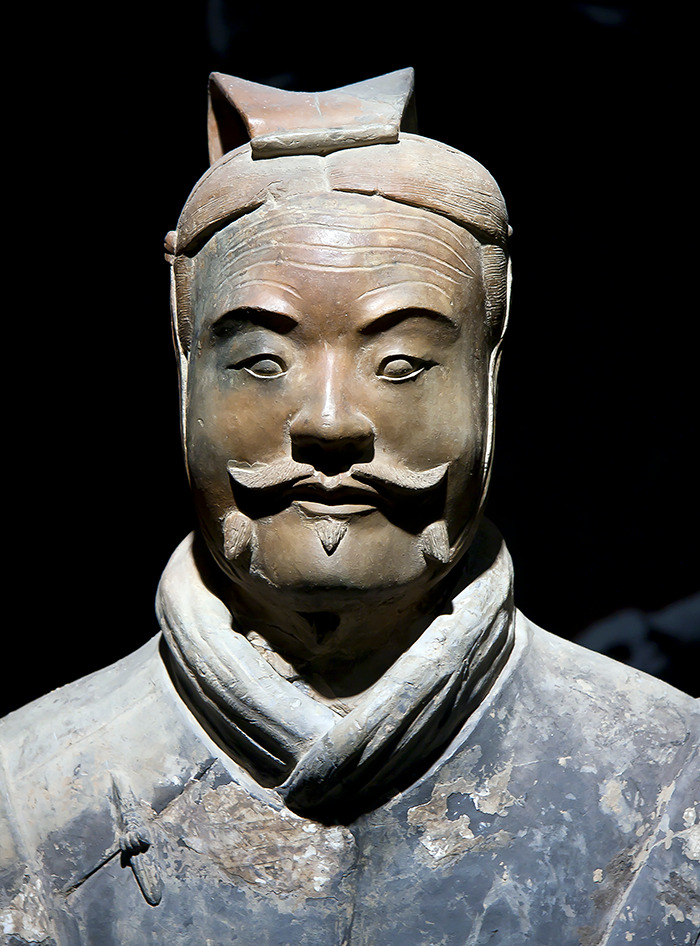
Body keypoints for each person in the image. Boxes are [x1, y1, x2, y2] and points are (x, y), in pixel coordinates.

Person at [1, 69, 698, 946]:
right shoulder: (27, 794)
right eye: (261, 361)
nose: (329, 423)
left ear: (489, 373)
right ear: (185, 379)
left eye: (401, 363)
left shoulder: (667, 775)